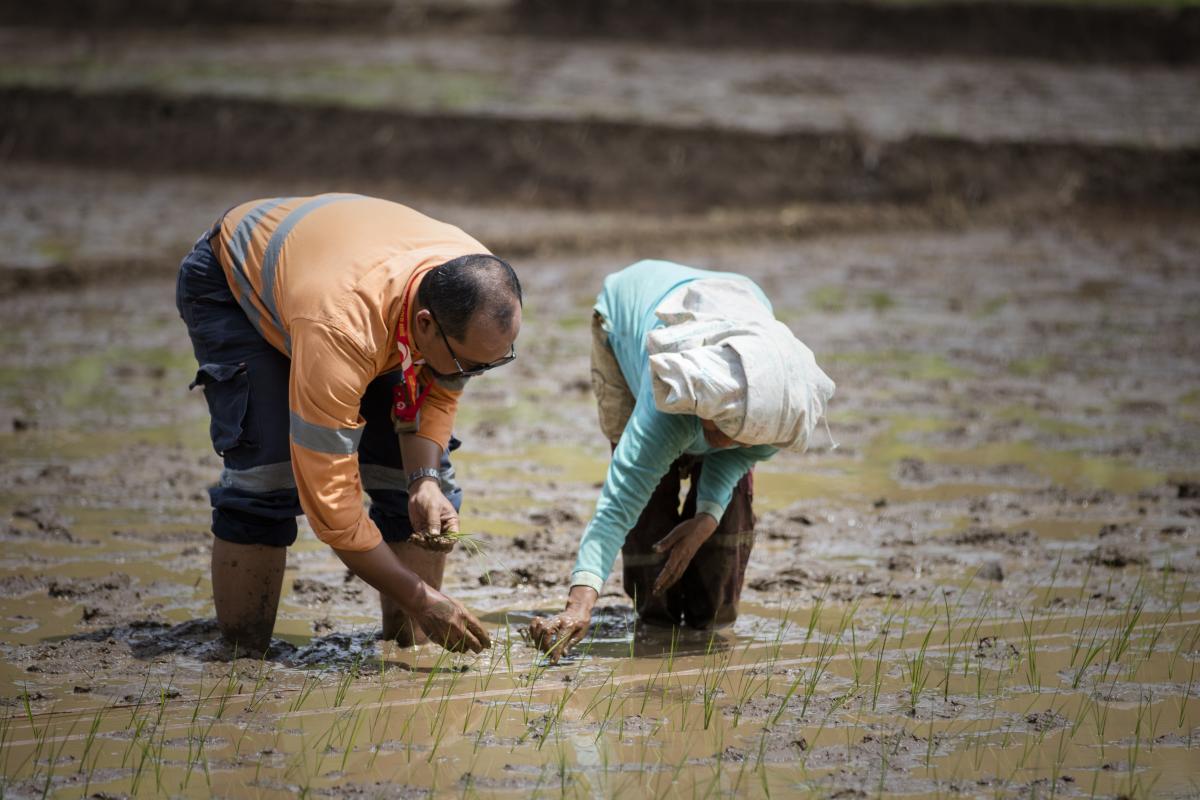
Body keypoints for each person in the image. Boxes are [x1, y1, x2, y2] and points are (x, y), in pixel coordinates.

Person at [175, 193, 521, 656]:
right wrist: (420, 597)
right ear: (424, 325)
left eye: (490, 364)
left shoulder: (469, 282)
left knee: (412, 482)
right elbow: (333, 508)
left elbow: (440, 385)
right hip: (240, 285)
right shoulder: (342, 328)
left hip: (344, 280)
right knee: (267, 477)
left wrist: (425, 479)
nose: (473, 375)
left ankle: (408, 646)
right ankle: (242, 659)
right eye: (471, 364)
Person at [530, 260, 834, 661]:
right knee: (649, 499)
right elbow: (617, 507)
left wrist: (707, 516)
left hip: (735, 297)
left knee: (729, 518)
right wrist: (580, 603)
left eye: (735, 435)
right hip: (624, 314)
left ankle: (707, 623)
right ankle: (655, 622)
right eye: (715, 427)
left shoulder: (778, 411)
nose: (719, 442)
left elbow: (737, 455)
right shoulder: (671, 406)